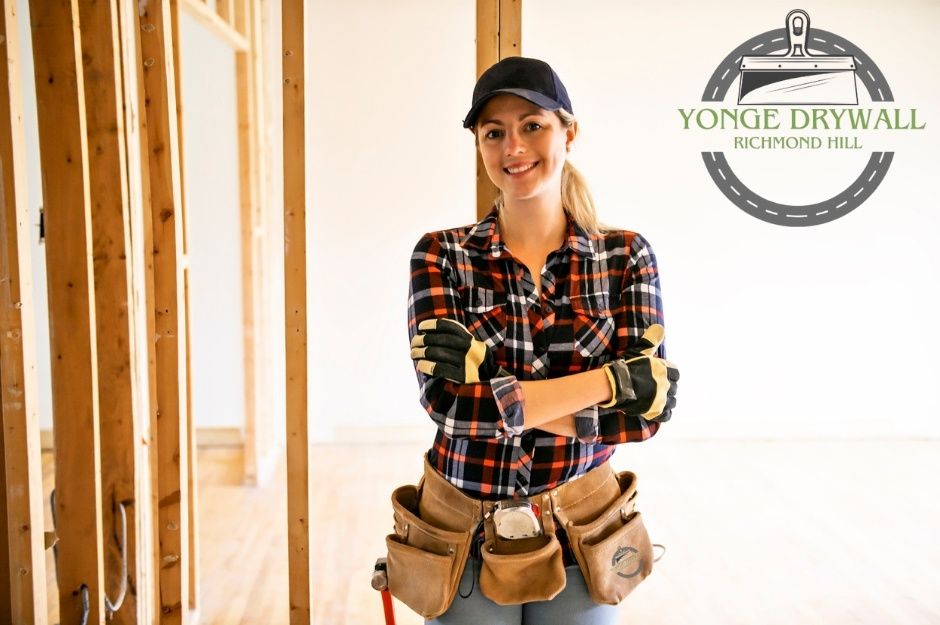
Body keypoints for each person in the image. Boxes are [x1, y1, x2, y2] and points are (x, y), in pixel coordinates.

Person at [400, 56, 679, 625]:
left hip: (583, 529)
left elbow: (643, 419)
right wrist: (609, 382)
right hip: (463, 529)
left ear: (568, 133)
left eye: (532, 125)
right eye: (494, 132)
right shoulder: (441, 254)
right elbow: (449, 406)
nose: (513, 147)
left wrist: (493, 384)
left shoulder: (626, 256)